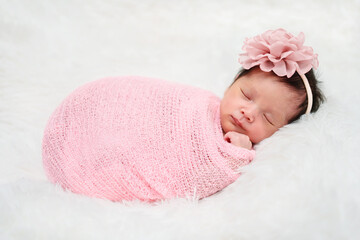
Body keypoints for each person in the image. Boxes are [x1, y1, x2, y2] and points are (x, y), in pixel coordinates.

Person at [221, 28, 325, 150]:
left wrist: (238, 153)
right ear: (234, 81)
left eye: (267, 118)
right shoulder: (202, 100)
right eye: (246, 96)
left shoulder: (256, 155)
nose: (248, 113)